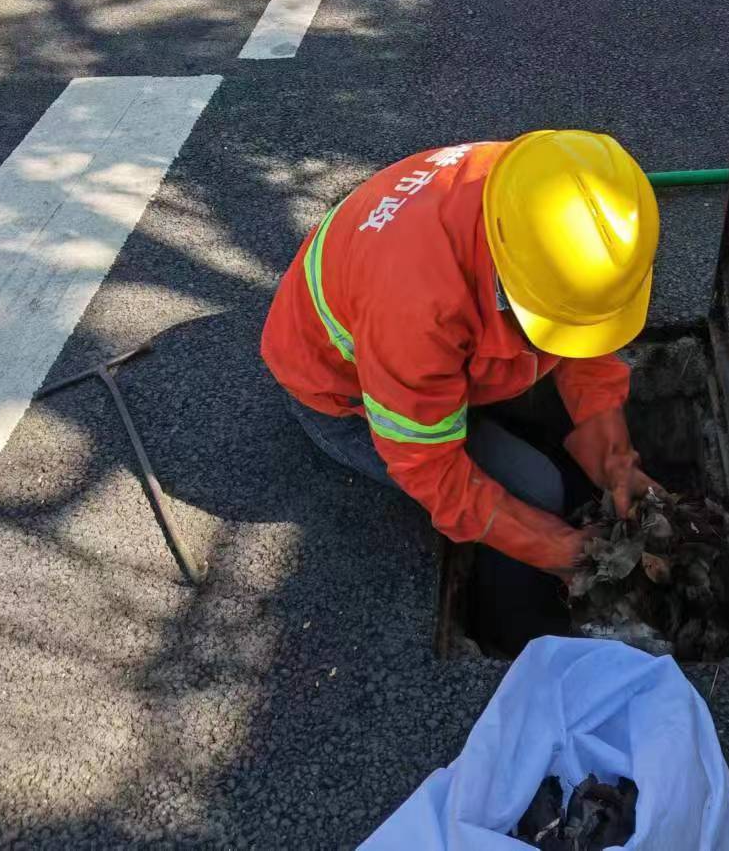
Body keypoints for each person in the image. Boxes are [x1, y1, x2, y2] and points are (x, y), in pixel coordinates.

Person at [261, 129, 660, 576]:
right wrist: (557, 549)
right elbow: (428, 467)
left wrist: (614, 459)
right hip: (340, 394)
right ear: (510, 289)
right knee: (540, 491)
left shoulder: (541, 190)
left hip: (405, 335)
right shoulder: (418, 309)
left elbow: (584, 326)